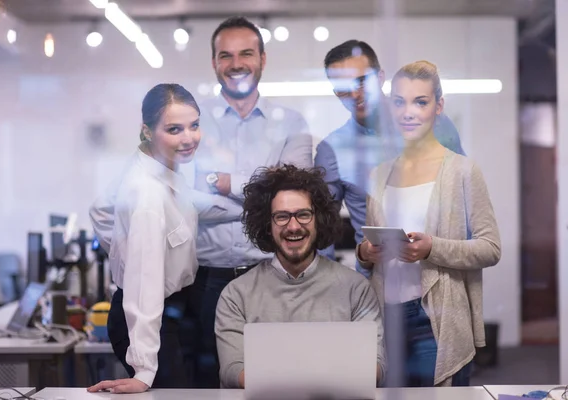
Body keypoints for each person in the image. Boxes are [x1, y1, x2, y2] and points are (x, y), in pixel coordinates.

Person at [186, 16, 313, 387]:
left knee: (278, 382)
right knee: (208, 383)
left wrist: (223, 183)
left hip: (273, 280)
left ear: (262, 59)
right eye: (226, 55)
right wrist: (262, 197)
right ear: (214, 63)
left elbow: (296, 195)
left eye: (246, 53)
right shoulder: (191, 122)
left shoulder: (291, 122)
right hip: (205, 282)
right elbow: (184, 199)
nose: (236, 63)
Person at [356, 61, 501, 387]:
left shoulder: (463, 171)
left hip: (435, 318)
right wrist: (366, 252)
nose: (409, 112)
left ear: (439, 106)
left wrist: (432, 248)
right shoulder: (378, 174)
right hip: (386, 315)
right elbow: (366, 248)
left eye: (420, 102)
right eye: (399, 102)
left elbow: (491, 248)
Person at [215, 165, 386, 389]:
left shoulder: (355, 288)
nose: (293, 226)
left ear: (319, 220)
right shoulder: (236, 294)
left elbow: (376, 368)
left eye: (303, 215)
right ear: (267, 224)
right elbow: (232, 371)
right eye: (282, 216)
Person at [87, 84, 205, 393]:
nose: (189, 138)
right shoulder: (147, 194)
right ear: (147, 131)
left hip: (173, 310)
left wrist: (126, 250)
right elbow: (144, 284)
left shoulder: (155, 165)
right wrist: (144, 368)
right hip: (150, 317)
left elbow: (100, 210)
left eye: (194, 125)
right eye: (174, 129)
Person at [314, 40, 465, 273]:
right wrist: (328, 286)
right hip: (378, 283)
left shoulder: (432, 124)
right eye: (343, 88)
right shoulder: (332, 149)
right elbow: (322, 228)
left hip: (439, 279)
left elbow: (464, 200)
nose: (354, 93)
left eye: (362, 81)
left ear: (381, 77)